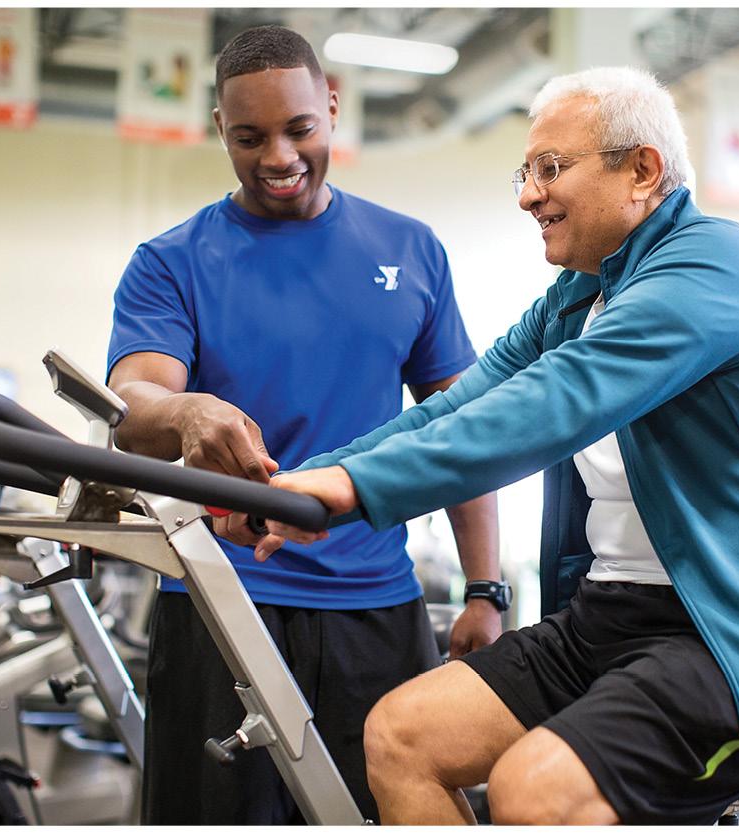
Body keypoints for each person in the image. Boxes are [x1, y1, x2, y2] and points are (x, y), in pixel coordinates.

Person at [257, 66, 739, 825]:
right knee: (402, 737)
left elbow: (552, 405)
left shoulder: (715, 266)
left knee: (534, 789)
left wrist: (353, 494)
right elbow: (462, 405)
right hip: (613, 612)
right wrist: (313, 478)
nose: (529, 195)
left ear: (642, 170)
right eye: (524, 173)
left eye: (550, 168)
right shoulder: (577, 298)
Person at [105, 25, 501, 825]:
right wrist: (187, 410)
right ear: (221, 129)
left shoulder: (409, 250)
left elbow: (463, 430)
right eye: (249, 138)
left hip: (376, 610)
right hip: (221, 605)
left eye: (299, 130)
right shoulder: (172, 261)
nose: (278, 157)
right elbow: (132, 405)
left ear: (332, 105)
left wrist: (485, 587)